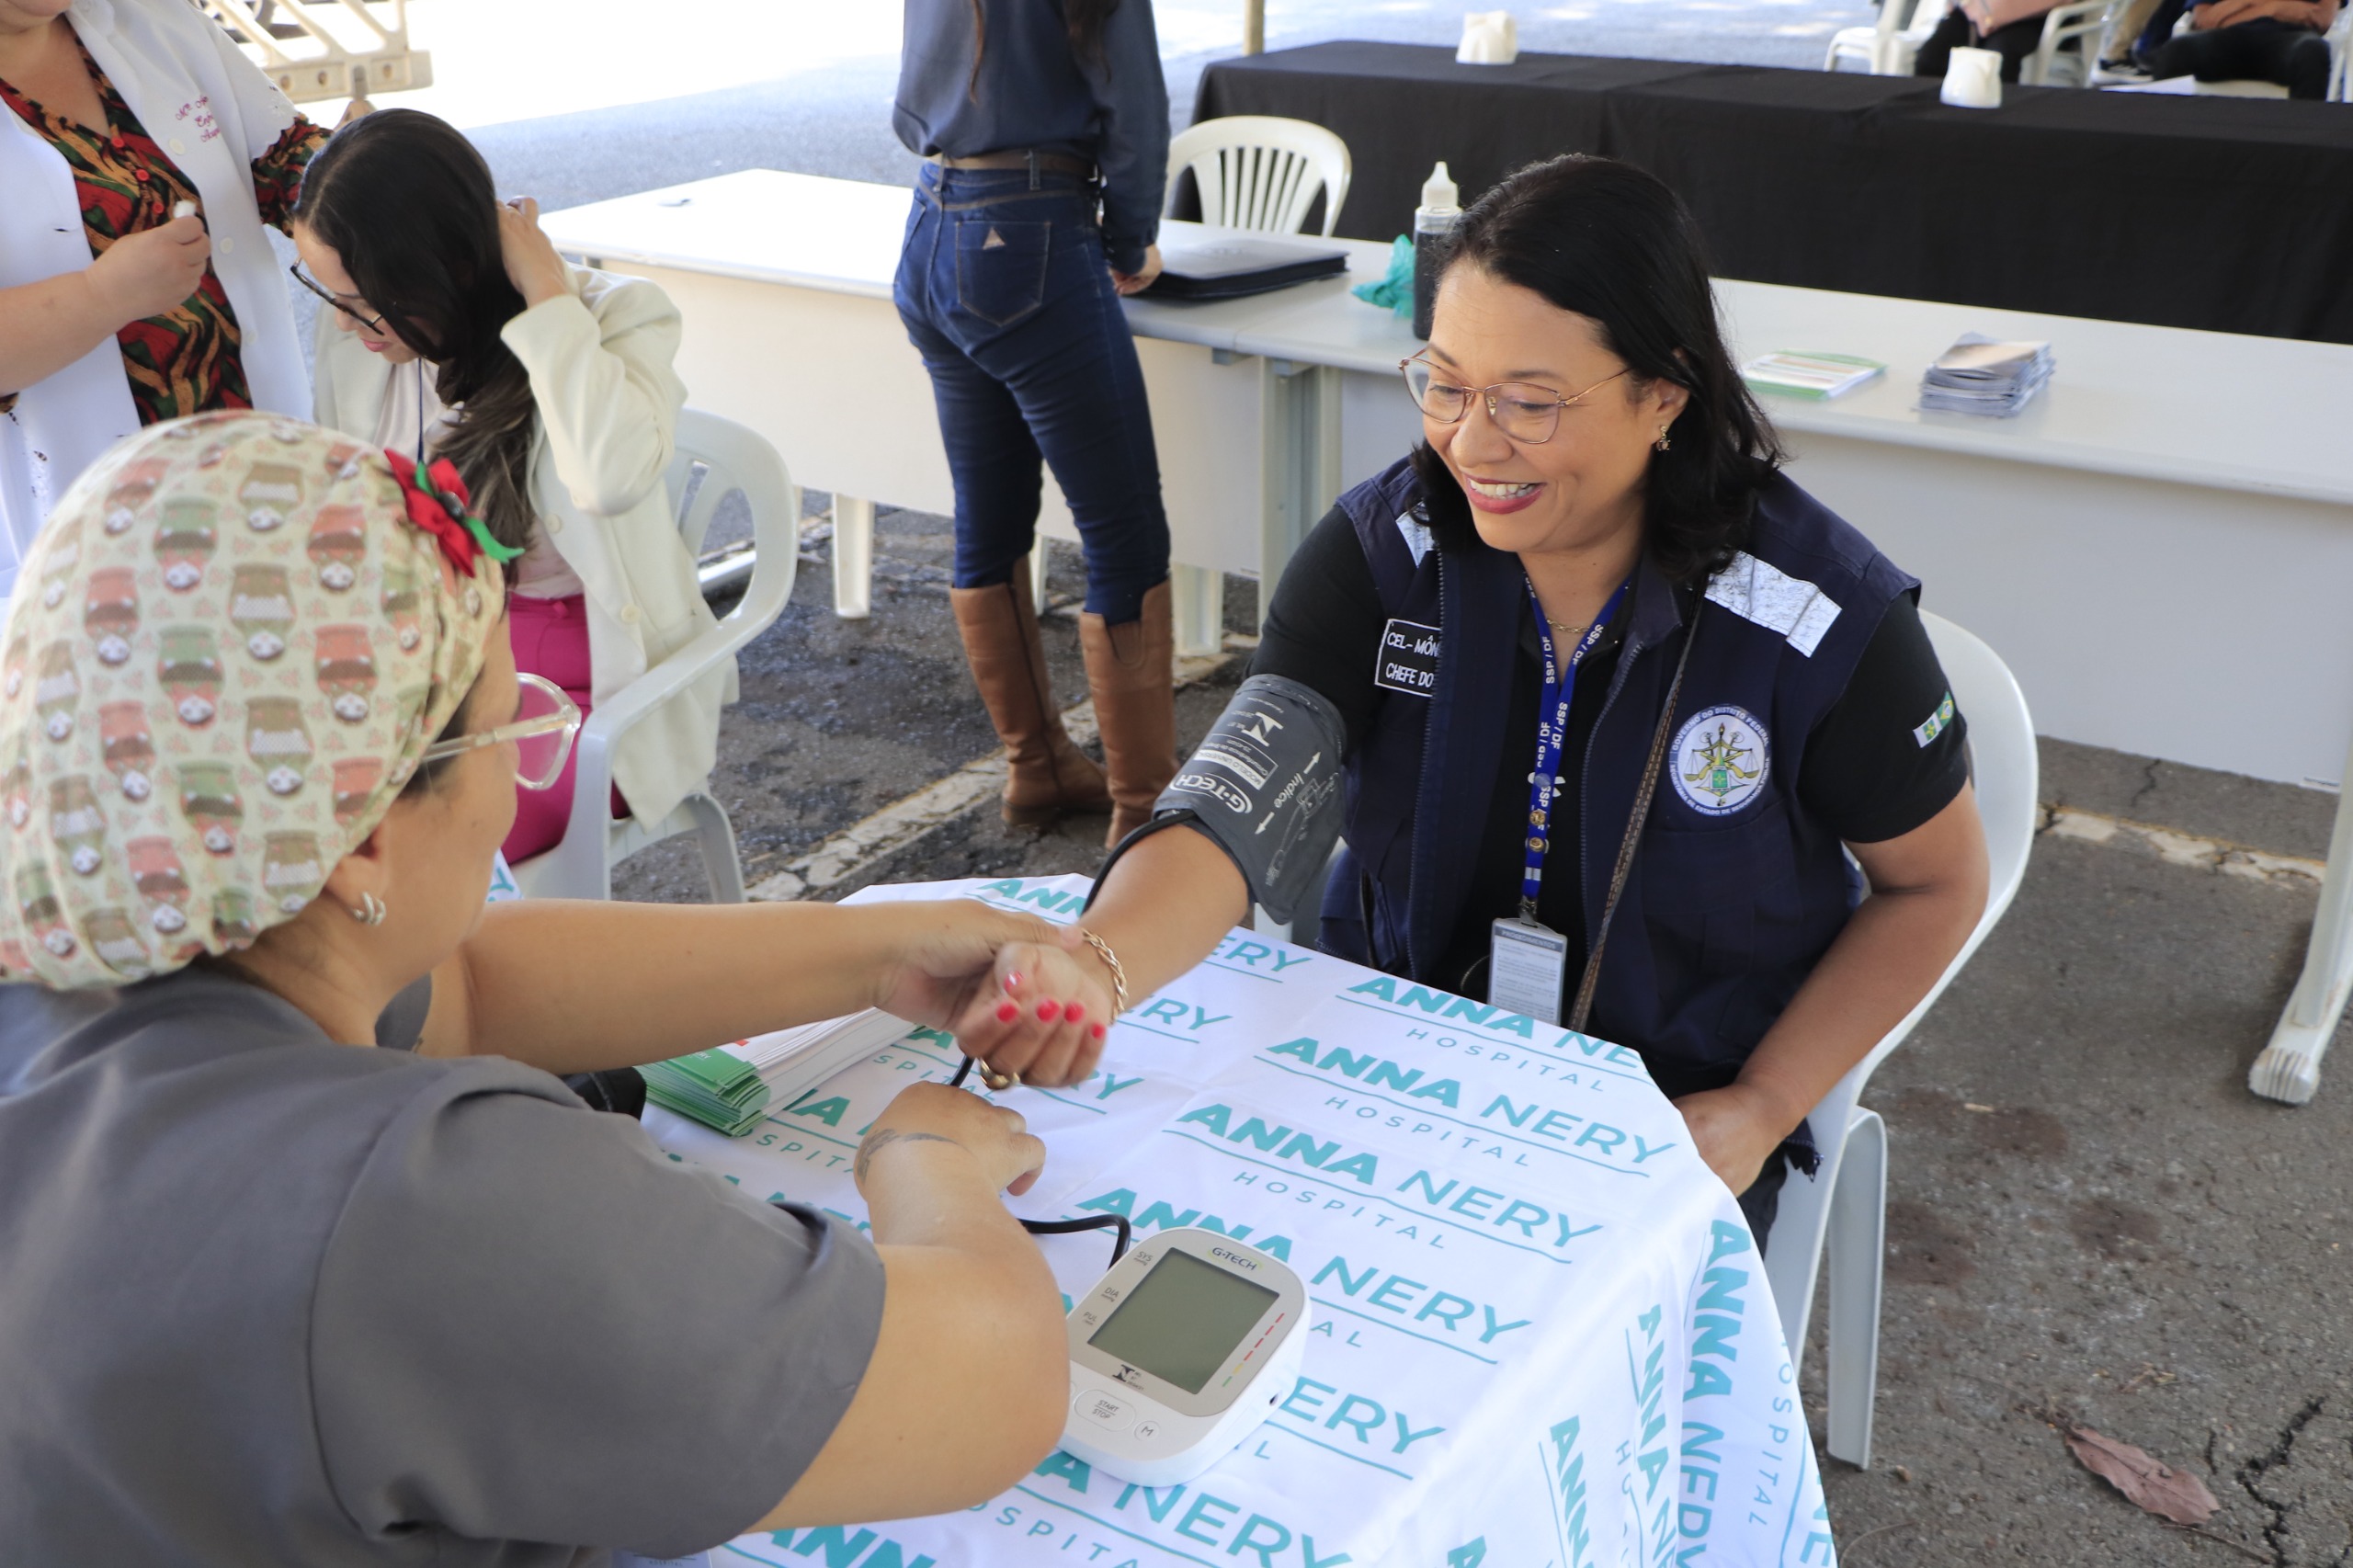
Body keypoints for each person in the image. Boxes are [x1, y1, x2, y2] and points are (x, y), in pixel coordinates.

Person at [0, 411, 1116, 1562]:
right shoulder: (413, 1212)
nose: (518, 770)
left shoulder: (115, 929)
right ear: (364, 843)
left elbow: (466, 983)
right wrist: (930, 1158)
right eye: (510, 729)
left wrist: (874, 955)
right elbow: (993, 1384)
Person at [954, 156, 1993, 1249]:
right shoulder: (1386, 551)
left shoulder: (1814, 618)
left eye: (1529, 403)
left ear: (1663, 396)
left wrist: (1762, 1105)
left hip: (1659, 1117)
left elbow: (1933, 884)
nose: (1473, 445)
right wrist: (1096, 962)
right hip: (1391, 1059)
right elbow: (1238, 800)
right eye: (1446, 385)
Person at [297, 108, 717, 866]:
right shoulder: (366, 344)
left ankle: (462, 983)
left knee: (414, 846)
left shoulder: (611, 316)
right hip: (440, 660)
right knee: (291, 807)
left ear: (448, 266)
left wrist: (546, 293)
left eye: (368, 302)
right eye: (331, 298)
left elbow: (607, 478)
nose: (346, 326)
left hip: (591, 686)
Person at [892, 0, 1178, 846]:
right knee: (1125, 540)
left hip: (930, 224)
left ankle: (1037, 769)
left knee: (989, 524)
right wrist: (1130, 243)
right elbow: (1138, 111)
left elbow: (918, 97)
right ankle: (1141, 813)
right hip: (1031, 230)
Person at [0, 0, 329, 595]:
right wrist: (99, 297)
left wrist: (400, 192)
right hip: (102, 535)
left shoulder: (150, 18)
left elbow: (285, 162)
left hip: (264, 470)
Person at [2133, 0, 2340, 97]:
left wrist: (2235, 7)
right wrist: (2275, 6)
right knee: (2176, 51)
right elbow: (2205, 19)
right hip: (2228, 38)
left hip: (2289, 40)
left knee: (2312, 52)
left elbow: (2322, 19)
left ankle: (2302, 148)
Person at [1914, 0, 2061, 82]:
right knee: (1931, 56)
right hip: (1973, 12)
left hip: (2031, 15)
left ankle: (1997, 127)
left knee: (1999, 59)